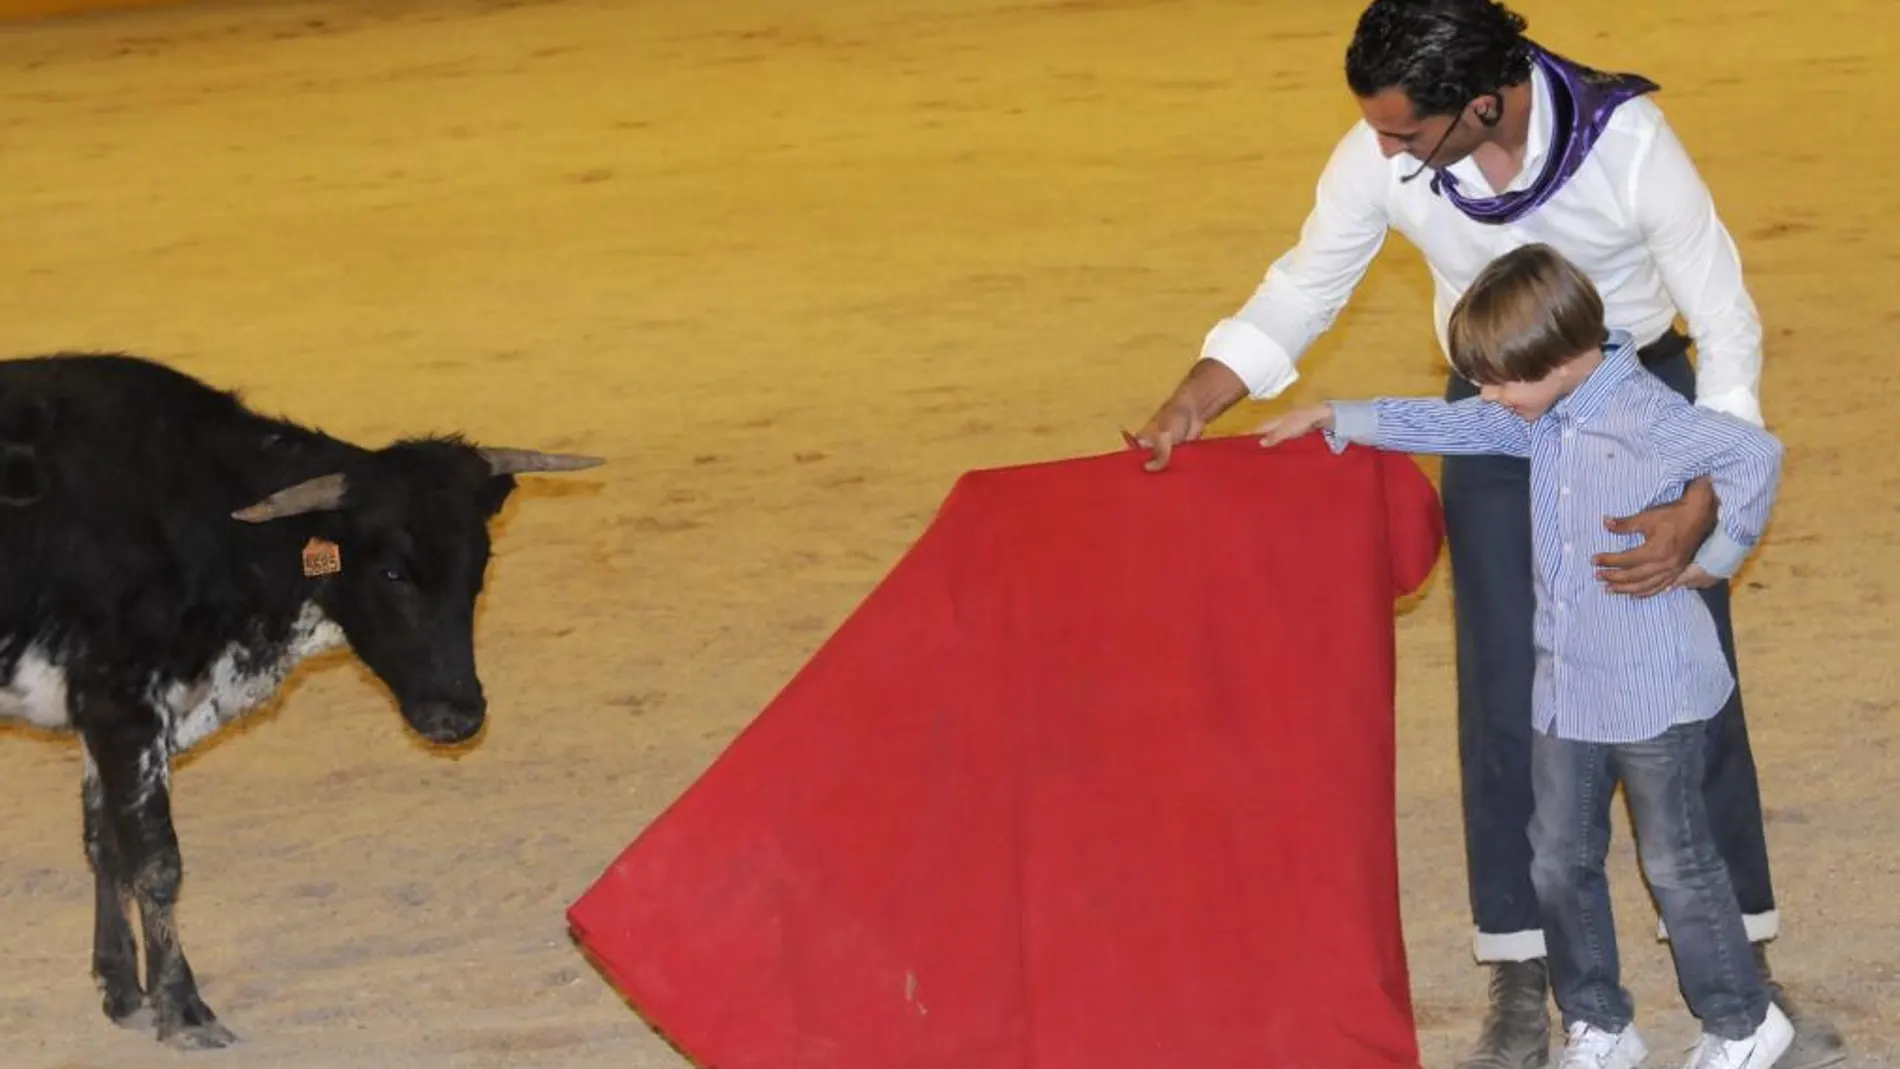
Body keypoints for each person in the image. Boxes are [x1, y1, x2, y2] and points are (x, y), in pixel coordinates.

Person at [1129, 2, 1846, 1066]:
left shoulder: (1630, 142)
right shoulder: (1385, 149)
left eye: (1405, 134)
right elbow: (1306, 284)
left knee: (1685, 683)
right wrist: (1201, 394)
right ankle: (1526, 970)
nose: (1384, 151)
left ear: (1484, 103)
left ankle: (1739, 959)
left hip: (1644, 400)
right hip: (1495, 406)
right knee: (1513, 685)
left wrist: (1703, 482)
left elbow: (1724, 312)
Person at [1258, 242, 1793, 1069]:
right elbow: (1461, 421)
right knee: (1557, 857)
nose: (1490, 397)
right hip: (1569, 690)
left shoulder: (1649, 416)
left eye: (1502, 380)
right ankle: (1601, 1023)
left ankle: (1744, 1022)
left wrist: (1717, 559)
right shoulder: (1538, 408)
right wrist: (1343, 417)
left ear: (1565, 356)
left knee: (1676, 862)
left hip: (1655, 693)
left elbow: (1755, 454)